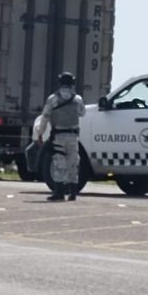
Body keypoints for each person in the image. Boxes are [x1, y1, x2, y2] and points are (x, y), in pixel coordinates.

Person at [38, 71, 86, 201]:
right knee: (73, 162)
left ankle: (59, 192)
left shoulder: (53, 99)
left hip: (58, 136)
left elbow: (45, 117)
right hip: (73, 136)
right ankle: (73, 193)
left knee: (59, 163)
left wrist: (40, 133)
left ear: (59, 83)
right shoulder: (78, 99)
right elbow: (82, 113)